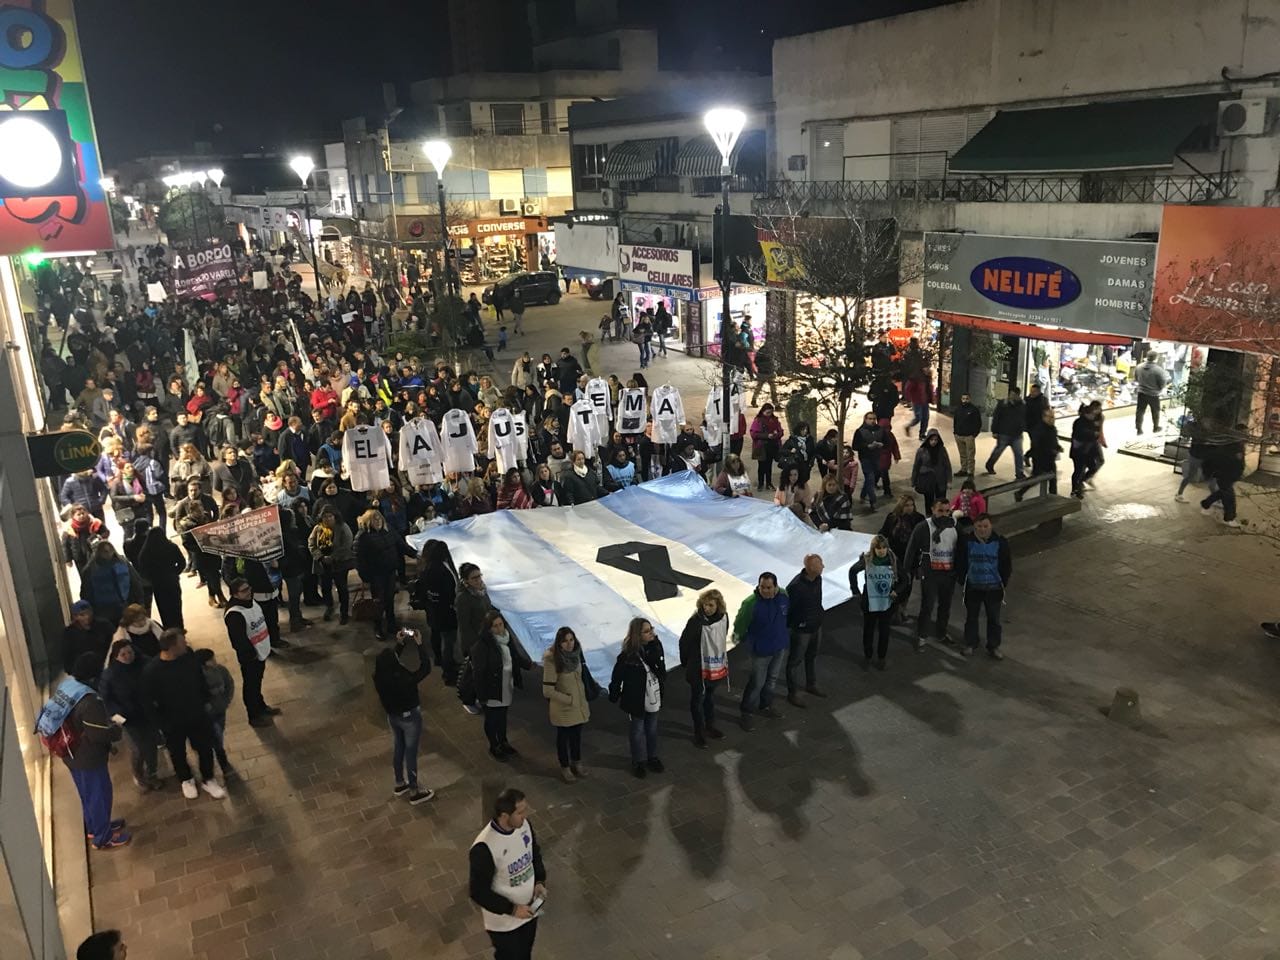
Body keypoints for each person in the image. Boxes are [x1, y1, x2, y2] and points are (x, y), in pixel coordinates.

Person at [37, 654, 129, 849]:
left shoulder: (67, 685)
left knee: (87, 793)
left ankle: (95, 827)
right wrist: (116, 730)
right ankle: (103, 838)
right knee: (99, 794)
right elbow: (98, 733)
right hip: (87, 755)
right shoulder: (89, 700)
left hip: (69, 752)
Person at [468, 787, 546, 960]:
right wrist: (511, 909)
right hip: (504, 924)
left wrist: (539, 880)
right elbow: (478, 891)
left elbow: (534, 852)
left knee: (525, 954)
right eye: (520, 812)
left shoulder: (524, 825)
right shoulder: (484, 847)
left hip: (528, 913)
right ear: (504, 816)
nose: (525, 815)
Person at [372, 627, 435, 804]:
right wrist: (420, 645)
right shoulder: (403, 679)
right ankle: (415, 790)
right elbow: (425, 668)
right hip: (410, 717)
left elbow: (390, 661)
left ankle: (400, 782)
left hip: (393, 716)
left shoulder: (379, 677)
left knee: (398, 747)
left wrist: (399, 645)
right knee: (411, 752)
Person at [608, 617, 666, 777]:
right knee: (637, 730)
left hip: (653, 696)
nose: (651, 633)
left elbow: (661, 668)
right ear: (637, 635)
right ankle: (638, 761)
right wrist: (614, 694)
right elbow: (617, 676)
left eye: (651, 629)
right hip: (636, 699)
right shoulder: (628, 656)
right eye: (647, 631)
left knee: (652, 728)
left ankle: (652, 757)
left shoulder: (655, 647)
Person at [472, 610, 534, 761]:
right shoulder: (482, 646)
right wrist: (482, 696)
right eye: (495, 626)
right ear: (488, 628)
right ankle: (494, 745)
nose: (499, 629)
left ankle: (503, 741)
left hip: (506, 685)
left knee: (502, 716)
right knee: (492, 718)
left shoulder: (506, 638)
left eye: (501, 625)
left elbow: (515, 656)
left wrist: (529, 665)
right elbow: (479, 674)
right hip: (492, 689)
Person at [733, 572, 790, 731]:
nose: (765, 590)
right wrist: (747, 640)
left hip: (778, 646)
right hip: (760, 650)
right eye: (762, 587)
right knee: (757, 682)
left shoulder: (784, 596)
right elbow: (740, 625)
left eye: (768, 587)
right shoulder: (750, 603)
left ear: (775, 587)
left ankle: (765, 705)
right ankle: (747, 712)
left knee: (772, 679)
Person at [954, 513, 1013, 658]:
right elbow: (960, 562)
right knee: (971, 617)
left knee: (994, 619)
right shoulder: (967, 542)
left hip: (993, 589)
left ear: (991, 526)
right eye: (979, 526)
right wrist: (962, 580)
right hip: (973, 587)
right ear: (974, 526)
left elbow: (1006, 565)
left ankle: (993, 646)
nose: (982, 529)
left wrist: (1002, 582)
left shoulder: (1000, 542)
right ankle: (970, 643)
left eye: (985, 526)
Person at [903, 498, 959, 650]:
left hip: (948, 574)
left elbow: (960, 549)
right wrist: (906, 571)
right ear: (933, 509)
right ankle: (922, 635)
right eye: (940, 510)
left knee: (945, 606)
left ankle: (941, 632)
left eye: (947, 511)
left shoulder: (954, 526)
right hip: (930, 574)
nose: (944, 514)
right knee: (927, 606)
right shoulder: (923, 527)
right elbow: (911, 549)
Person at [223, 578, 279, 727]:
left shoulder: (251, 602)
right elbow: (238, 640)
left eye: (249, 588)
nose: (249, 592)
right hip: (250, 657)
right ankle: (253, 716)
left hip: (260, 650)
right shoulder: (235, 614)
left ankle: (261, 706)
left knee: (257, 682)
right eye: (244, 590)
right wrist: (251, 655)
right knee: (251, 685)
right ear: (235, 594)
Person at [354, 509, 417, 641]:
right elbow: (360, 559)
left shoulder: (389, 531)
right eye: (374, 519)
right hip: (376, 574)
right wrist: (365, 577)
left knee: (389, 599)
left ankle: (391, 624)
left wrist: (415, 554)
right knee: (379, 601)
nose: (377, 522)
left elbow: (401, 545)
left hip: (390, 571)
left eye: (379, 519)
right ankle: (378, 626)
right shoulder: (363, 536)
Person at [678, 589, 729, 748]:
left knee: (709, 698)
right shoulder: (695, 622)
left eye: (711, 605)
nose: (707, 608)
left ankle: (709, 726)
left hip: (713, 667)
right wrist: (687, 663)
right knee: (698, 700)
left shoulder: (722, 618)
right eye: (705, 605)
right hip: (698, 669)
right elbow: (684, 643)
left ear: (718, 606)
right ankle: (699, 732)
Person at [542, 626, 593, 782]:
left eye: (571, 639)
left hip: (578, 705)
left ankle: (576, 762)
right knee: (563, 738)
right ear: (559, 643)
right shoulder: (552, 660)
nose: (569, 644)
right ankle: (565, 767)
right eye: (565, 641)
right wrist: (569, 699)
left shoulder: (576, 655)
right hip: (564, 708)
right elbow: (547, 691)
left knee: (576, 736)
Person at [849, 535, 904, 670]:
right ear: (873, 549)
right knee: (868, 630)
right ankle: (868, 656)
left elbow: (905, 579)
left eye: (884, 548)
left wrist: (896, 591)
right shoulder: (867, 560)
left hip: (887, 603)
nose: (881, 551)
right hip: (870, 603)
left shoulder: (892, 560)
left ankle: (881, 658)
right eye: (878, 548)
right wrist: (855, 591)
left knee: (884, 631)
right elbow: (853, 571)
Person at [785, 555, 827, 706]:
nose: (823, 566)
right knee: (794, 661)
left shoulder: (818, 579)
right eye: (820, 563)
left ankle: (811, 684)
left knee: (812, 656)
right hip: (802, 630)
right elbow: (788, 609)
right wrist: (796, 624)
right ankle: (793, 693)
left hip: (816, 626)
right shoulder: (796, 586)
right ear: (810, 568)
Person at [417, 540, 461, 683]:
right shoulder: (441, 570)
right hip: (446, 612)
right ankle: (448, 672)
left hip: (433, 610)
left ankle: (439, 659)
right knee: (448, 641)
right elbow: (448, 592)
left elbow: (423, 593)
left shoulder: (426, 569)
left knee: (435, 633)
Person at [79, 541, 144, 629]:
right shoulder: (91, 570)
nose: (108, 553)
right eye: (105, 551)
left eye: (109, 550)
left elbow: (135, 583)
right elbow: (86, 592)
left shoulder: (91, 569)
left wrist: (139, 602)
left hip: (121, 608)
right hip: (105, 612)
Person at [195, 647, 236, 778]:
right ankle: (223, 763)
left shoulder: (221, 670)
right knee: (217, 739)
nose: (214, 661)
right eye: (211, 659)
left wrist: (226, 701)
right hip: (208, 715)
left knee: (219, 735)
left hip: (220, 710)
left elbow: (229, 684)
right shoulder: (198, 677)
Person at [309, 507, 354, 624]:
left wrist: (333, 557)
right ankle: (329, 607)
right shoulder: (318, 528)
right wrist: (320, 557)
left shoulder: (343, 527)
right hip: (323, 564)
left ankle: (344, 612)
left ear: (335, 517)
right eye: (325, 517)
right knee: (325, 587)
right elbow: (311, 543)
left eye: (330, 516)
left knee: (342, 588)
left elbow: (347, 544)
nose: (327, 519)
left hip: (340, 563)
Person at [135, 527, 186, 630]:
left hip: (158, 584)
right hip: (172, 582)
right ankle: (179, 628)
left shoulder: (146, 551)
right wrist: (174, 573)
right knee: (176, 606)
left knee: (164, 608)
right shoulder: (171, 546)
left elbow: (142, 568)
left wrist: (151, 578)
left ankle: (169, 629)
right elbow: (182, 562)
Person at [1200, 426, 1246, 528]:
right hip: (1226, 475)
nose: (1245, 435)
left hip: (1230, 475)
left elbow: (1239, 462)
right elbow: (1229, 461)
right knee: (1229, 497)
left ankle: (1206, 505)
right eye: (1243, 433)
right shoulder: (1232, 445)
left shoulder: (1238, 444)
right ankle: (1229, 518)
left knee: (1222, 493)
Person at [62, 599, 113, 679]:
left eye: (88, 613)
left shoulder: (104, 625)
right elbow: (67, 653)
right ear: (75, 617)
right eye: (82, 615)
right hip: (82, 673)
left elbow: (114, 644)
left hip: (105, 668)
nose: (87, 617)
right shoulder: (70, 633)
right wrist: (72, 671)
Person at [984, 387, 1027, 478]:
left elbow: (1025, 418)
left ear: (1018, 395)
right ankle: (989, 464)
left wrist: (1023, 427)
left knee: (1019, 453)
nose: (1012, 396)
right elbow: (996, 417)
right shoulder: (1003, 404)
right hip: (1004, 433)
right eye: (1011, 394)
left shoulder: (1022, 405)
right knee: (998, 451)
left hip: (1017, 435)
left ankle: (1019, 473)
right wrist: (994, 431)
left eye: (1014, 395)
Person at [852, 412, 886, 510]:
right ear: (865, 419)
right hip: (865, 458)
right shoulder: (860, 431)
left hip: (877, 457)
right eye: (870, 419)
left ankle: (863, 495)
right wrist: (867, 446)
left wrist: (881, 444)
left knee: (872, 477)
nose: (872, 421)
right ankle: (873, 501)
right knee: (870, 478)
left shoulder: (880, 430)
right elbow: (855, 446)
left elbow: (887, 442)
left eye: (874, 419)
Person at [1068, 402, 1101, 499]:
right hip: (1079, 452)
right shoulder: (1079, 422)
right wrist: (1093, 434)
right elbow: (1080, 434)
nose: (1093, 416)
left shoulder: (1091, 422)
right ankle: (1076, 489)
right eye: (1092, 414)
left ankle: (1081, 482)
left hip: (1088, 451)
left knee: (1093, 467)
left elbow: (1095, 435)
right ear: (1087, 414)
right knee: (1078, 471)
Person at [911, 428, 953, 504]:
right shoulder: (921, 451)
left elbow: (947, 465)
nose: (933, 442)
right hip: (927, 480)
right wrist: (913, 482)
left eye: (936, 440)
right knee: (929, 501)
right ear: (928, 439)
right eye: (932, 440)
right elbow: (916, 467)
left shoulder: (942, 450)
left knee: (941, 501)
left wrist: (949, 480)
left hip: (940, 479)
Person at [1026, 406, 1061, 495]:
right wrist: (1050, 450)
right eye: (1050, 417)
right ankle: (1020, 492)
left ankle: (1053, 496)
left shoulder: (1052, 428)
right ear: (1044, 417)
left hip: (1050, 459)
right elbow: (1037, 446)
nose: (1052, 419)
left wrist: (1057, 447)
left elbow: (1053, 441)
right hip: (1040, 459)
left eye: (1053, 417)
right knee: (1035, 479)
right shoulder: (1038, 429)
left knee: (1053, 480)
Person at [749, 404, 783, 491]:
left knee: (769, 466)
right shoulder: (758, 421)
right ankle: (760, 483)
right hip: (762, 447)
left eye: (771, 412)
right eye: (767, 412)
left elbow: (780, 431)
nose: (769, 414)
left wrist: (776, 435)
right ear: (763, 411)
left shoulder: (775, 420)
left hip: (772, 445)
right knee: (761, 466)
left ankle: (769, 483)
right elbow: (753, 434)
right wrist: (767, 436)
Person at [1134, 353, 1169, 435]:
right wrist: (1159, 388)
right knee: (1155, 411)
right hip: (1153, 394)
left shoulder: (1139, 367)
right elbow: (1163, 383)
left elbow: (1136, 378)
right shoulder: (1158, 370)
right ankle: (1155, 427)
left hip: (1141, 392)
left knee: (1140, 411)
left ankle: (1139, 429)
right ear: (1156, 358)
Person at [952, 393, 982, 478]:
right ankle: (963, 469)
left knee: (970, 455)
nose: (965, 400)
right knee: (962, 454)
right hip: (958, 435)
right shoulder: (958, 409)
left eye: (967, 398)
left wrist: (974, 435)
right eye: (963, 399)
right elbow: (955, 420)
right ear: (961, 399)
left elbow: (978, 423)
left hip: (969, 436)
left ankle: (970, 472)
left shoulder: (974, 409)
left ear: (970, 399)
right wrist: (955, 432)